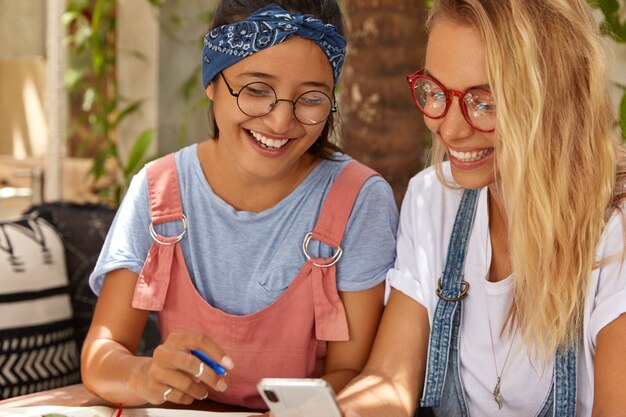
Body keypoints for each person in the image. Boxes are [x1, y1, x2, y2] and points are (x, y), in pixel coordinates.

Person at [80, 0, 398, 410]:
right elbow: (102, 354)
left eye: (311, 98)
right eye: (257, 90)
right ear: (211, 82)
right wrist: (143, 375)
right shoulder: (157, 190)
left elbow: (352, 372)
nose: (281, 122)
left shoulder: (358, 198)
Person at [336, 0, 626, 416]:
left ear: (555, 98)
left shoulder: (615, 226)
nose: (449, 127)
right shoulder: (433, 199)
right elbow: (389, 381)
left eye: (485, 102)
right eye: (435, 92)